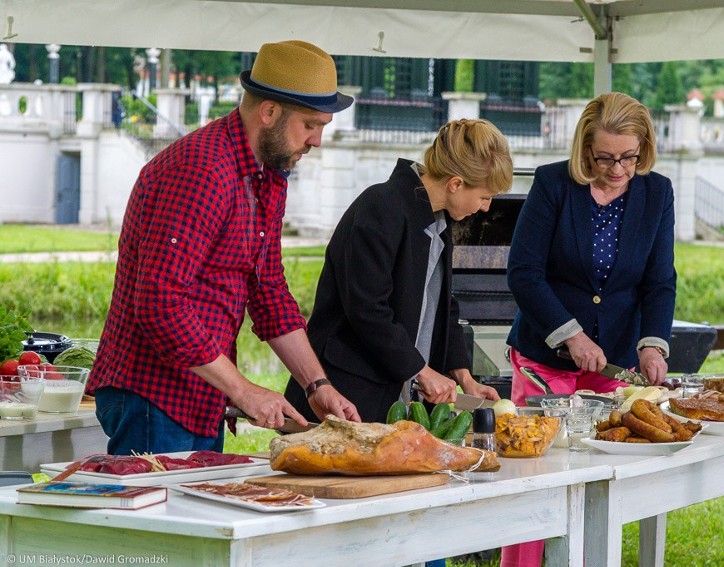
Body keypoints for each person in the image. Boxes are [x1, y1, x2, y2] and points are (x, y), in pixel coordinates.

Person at [89, 40, 361, 456]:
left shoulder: (267, 173)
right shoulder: (202, 170)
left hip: (200, 392)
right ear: (268, 112)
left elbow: (268, 291)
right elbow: (159, 303)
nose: (317, 140)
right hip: (153, 395)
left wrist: (317, 386)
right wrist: (246, 390)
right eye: (310, 124)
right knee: (163, 520)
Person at [501, 92, 676, 567]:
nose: (618, 169)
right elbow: (524, 272)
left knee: (605, 474)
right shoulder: (554, 183)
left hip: (616, 360)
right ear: (585, 148)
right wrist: (571, 335)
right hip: (543, 356)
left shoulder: (657, 192)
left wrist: (652, 346)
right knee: (534, 475)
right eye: (605, 158)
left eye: (628, 157)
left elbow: (660, 282)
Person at [284, 119, 512, 424]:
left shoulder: (438, 222)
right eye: (485, 196)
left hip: (394, 398)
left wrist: (464, 378)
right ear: (455, 184)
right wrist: (420, 369)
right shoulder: (381, 206)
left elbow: (443, 305)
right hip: (345, 394)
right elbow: (368, 309)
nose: (486, 207)